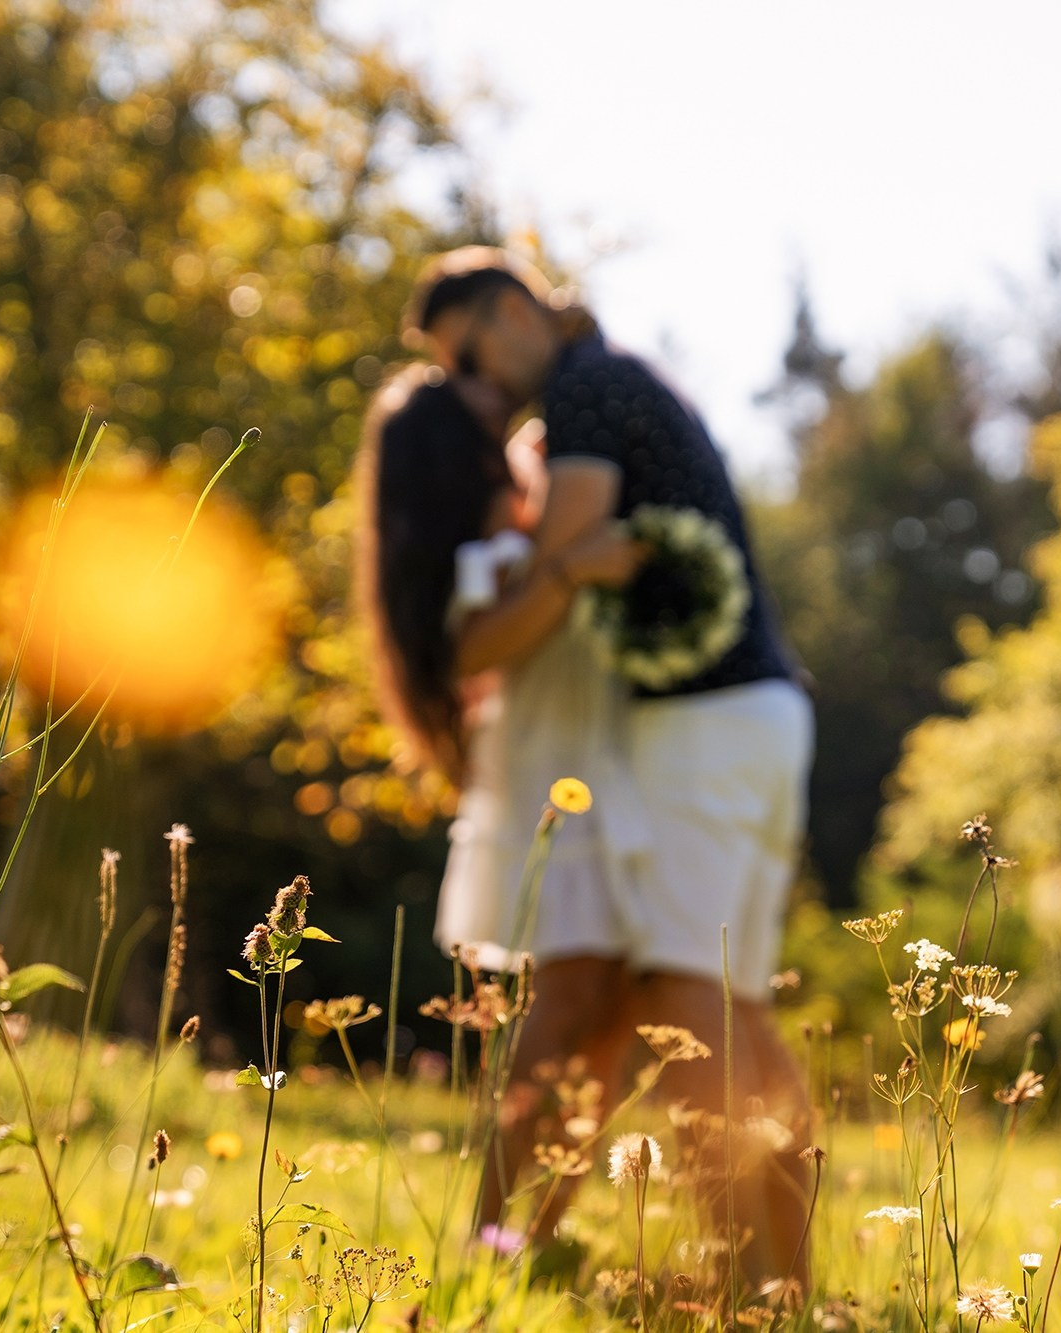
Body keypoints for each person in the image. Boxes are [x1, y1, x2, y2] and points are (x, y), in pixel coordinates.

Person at [404, 248, 817, 1294]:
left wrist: (537, 557)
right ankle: (780, 1280)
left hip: (700, 723)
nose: (475, 387)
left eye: (466, 355)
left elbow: (573, 536)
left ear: (507, 313)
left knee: (687, 996)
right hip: (753, 715)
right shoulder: (615, 385)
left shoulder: (586, 384)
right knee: (730, 1002)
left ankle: (739, 1287)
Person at [353, 362, 647, 1251]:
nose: (502, 403)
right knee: (568, 1001)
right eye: (479, 405)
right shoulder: (479, 546)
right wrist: (568, 568)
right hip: (552, 766)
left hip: (596, 756)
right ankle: (490, 1230)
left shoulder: (522, 494)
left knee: (610, 1008)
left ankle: (539, 1228)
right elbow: (482, 647)